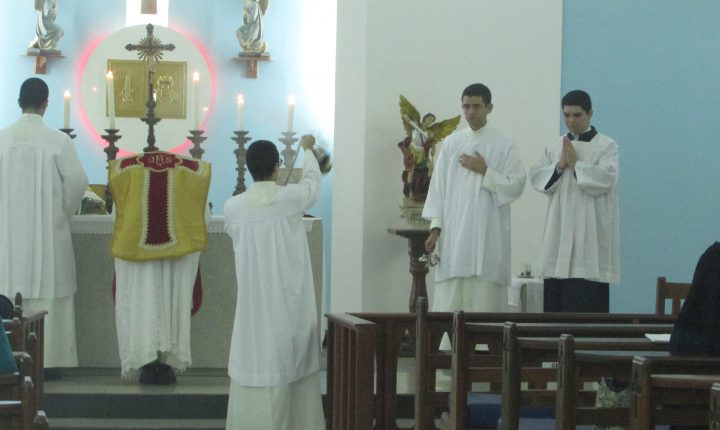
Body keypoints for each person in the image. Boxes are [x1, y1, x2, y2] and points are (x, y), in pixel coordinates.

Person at [223, 136, 324, 430]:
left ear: (248, 168)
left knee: (255, 354)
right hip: (286, 303)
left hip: (253, 305)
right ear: (277, 167)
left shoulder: (233, 207)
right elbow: (312, 183)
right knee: (288, 357)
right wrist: (308, 150)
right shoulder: (290, 199)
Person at [0, 77, 88, 373]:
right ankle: (49, 362)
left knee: (8, 293)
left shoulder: (2, 139)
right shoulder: (58, 141)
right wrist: (61, 214)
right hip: (49, 243)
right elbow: (78, 183)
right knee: (51, 297)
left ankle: (9, 362)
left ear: (19, 102)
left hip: (8, 242)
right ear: (45, 104)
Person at [422, 83, 526, 321]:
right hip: (454, 239)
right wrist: (435, 229)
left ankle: (485, 342)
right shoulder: (451, 143)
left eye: (476, 106)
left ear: (489, 107)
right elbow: (439, 189)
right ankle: (447, 342)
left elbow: (516, 184)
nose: (470, 112)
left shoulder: (504, 143)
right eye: (466, 106)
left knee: (484, 302)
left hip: (488, 237)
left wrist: (485, 171)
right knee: (450, 303)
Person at [109, 151, 211, 383]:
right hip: (179, 252)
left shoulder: (125, 171)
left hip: (136, 253)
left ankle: (144, 360)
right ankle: (168, 363)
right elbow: (204, 218)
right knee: (172, 303)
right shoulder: (192, 172)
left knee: (142, 303)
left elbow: (117, 218)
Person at [529, 90, 619, 312]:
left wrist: (577, 165)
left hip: (590, 235)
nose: (571, 120)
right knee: (555, 310)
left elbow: (607, 179)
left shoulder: (606, 145)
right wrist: (560, 165)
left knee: (585, 307)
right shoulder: (554, 146)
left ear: (590, 113)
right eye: (566, 115)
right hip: (558, 232)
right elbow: (537, 177)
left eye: (577, 115)